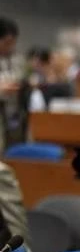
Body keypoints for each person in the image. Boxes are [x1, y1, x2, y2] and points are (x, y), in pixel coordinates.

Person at [0, 16, 24, 154]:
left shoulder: (14, 59)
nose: (10, 47)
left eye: (13, 43)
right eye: (7, 42)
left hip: (11, 113)